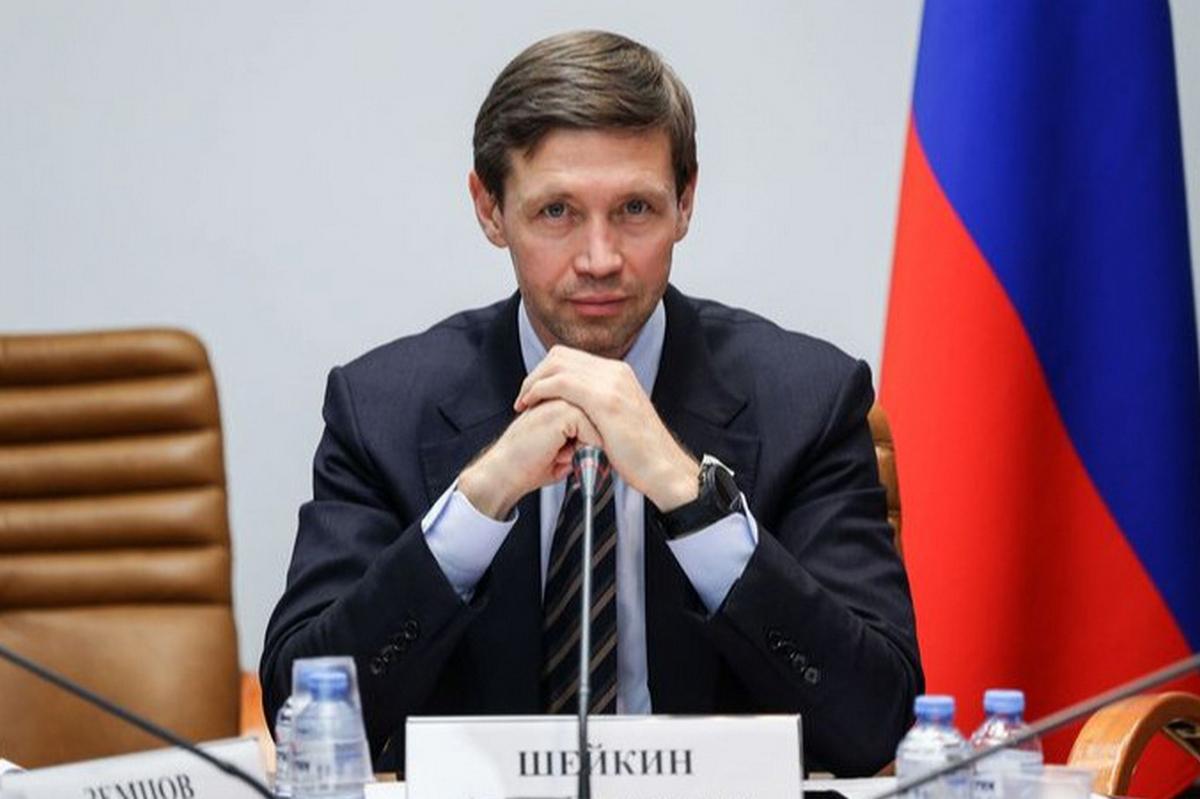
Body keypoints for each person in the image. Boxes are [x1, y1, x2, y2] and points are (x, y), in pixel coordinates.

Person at [261, 29, 922, 777]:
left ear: (685, 202)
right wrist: (476, 504)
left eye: (635, 208)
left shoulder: (806, 400)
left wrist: (692, 498)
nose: (600, 258)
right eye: (557, 212)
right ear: (489, 208)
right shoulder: (381, 410)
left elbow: (875, 723)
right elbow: (299, 715)